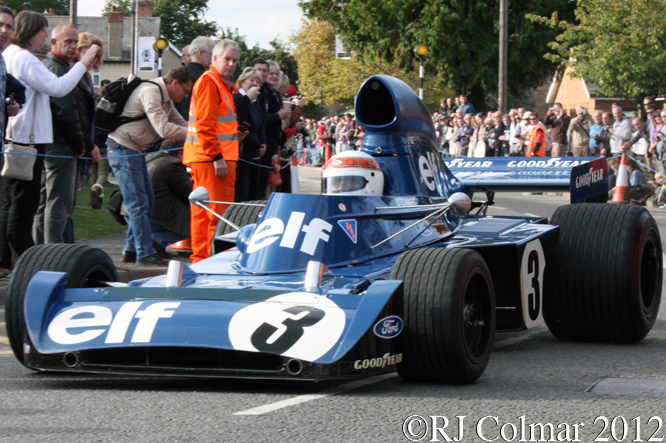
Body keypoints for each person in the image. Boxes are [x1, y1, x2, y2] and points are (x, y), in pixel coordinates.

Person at [0, 11, 99, 272]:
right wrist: (84, 62)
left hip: (17, 137)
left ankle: (8, 261)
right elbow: (58, 88)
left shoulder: (10, 55)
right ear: (32, 31)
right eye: (43, 30)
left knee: (11, 203)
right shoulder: (25, 58)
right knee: (24, 207)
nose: (46, 34)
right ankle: (33, 263)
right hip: (28, 141)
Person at [107, 66, 192, 266]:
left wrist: (203, 130)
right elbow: (164, 129)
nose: (186, 95)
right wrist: (196, 134)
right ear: (175, 83)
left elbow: (179, 122)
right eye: (186, 90)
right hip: (123, 148)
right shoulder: (151, 92)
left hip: (133, 149)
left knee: (147, 201)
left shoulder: (165, 98)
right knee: (138, 203)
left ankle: (131, 250)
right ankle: (144, 253)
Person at [33, 24, 100, 245]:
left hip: (54, 144)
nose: (72, 46)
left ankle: (42, 253)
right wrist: (82, 144)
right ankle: (51, 255)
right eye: (67, 41)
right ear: (54, 42)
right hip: (60, 146)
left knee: (47, 204)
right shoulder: (58, 69)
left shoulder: (56, 67)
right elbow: (66, 111)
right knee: (57, 205)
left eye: (74, 41)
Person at [184, 39, 241, 263]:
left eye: (234, 60)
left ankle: (201, 259)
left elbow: (214, 123)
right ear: (214, 58)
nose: (231, 64)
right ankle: (208, 261)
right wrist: (216, 156)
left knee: (205, 214)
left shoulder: (219, 83)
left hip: (209, 158)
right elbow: (205, 125)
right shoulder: (211, 83)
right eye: (226, 59)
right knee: (216, 214)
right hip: (213, 160)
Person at [146, 139, 192, 253]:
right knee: (196, 225)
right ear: (181, 153)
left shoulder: (150, 158)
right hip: (157, 213)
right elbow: (189, 192)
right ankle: (156, 241)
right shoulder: (173, 164)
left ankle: (148, 243)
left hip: (136, 210)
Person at [233, 67, 265, 202]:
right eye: (252, 80)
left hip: (255, 154)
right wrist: (258, 145)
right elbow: (241, 126)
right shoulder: (239, 99)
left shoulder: (255, 102)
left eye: (258, 82)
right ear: (242, 81)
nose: (255, 84)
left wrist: (263, 143)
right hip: (243, 153)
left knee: (254, 193)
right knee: (242, 192)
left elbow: (260, 125)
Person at [175, 36, 214, 119]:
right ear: (200, 54)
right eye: (211, 54)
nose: (213, 58)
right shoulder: (206, 78)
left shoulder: (177, 73)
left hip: (178, 124)